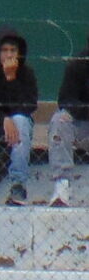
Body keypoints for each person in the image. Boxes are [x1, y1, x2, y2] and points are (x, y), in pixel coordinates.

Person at [0, 27, 39, 206]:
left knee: (21, 121)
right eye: (4, 50)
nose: (9, 55)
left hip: (17, 128)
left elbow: (28, 106)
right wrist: (3, 119)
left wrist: (11, 78)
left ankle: (18, 186)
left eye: (13, 50)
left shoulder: (27, 74)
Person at [46, 29, 89, 206]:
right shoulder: (78, 64)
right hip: (83, 127)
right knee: (59, 120)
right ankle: (62, 187)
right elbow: (65, 99)